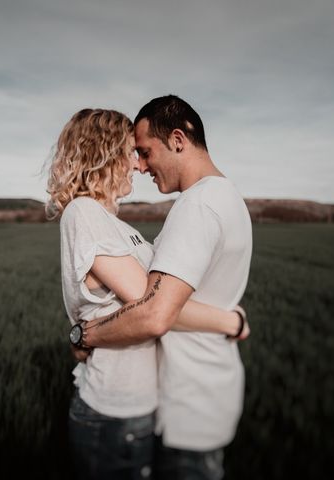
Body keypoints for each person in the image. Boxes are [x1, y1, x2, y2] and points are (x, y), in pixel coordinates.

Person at [47, 108, 248, 480]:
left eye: (142, 154)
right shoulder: (83, 212)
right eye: (130, 152)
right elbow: (151, 301)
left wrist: (83, 333)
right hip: (113, 410)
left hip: (142, 409)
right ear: (102, 153)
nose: (138, 166)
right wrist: (228, 319)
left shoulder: (117, 226)